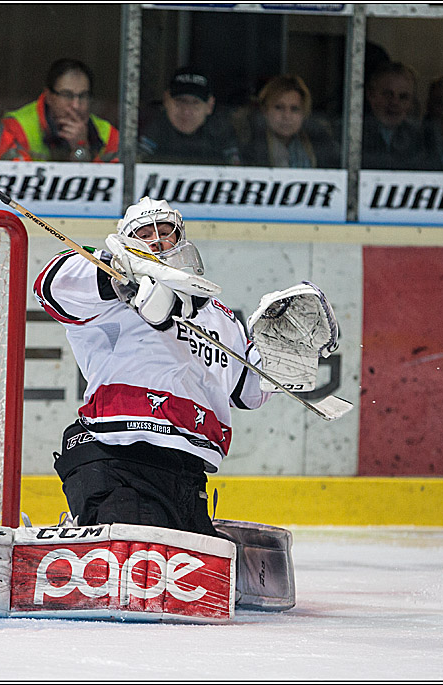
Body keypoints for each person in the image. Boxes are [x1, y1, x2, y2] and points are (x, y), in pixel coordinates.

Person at [33, 197, 270, 536]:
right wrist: (119, 277)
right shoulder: (111, 289)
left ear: (181, 237)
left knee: (187, 577)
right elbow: (51, 283)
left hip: (186, 469)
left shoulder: (219, 316)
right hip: (120, 455)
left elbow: (246, 391)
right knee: (139, 572)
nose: (157, 240)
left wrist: (278, 358)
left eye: (166, 232)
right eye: (144, 234)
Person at [0, 58, 118, 163]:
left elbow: (114, 184)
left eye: (82, 96)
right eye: (67, 95)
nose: (76, 105)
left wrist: (80, 148)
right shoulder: (16, 126)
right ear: (49, 96)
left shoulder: (108, 134)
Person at [137, 67, 241, 166]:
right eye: (180, 101)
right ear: (166, 100)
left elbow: (238, 169)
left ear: (209, 106)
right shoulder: (150, 127)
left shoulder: (221, 133)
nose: (186, 111)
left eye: (195, 103)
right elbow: (136, 162)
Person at [238, 74, 339, 168]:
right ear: (265, 110)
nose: (286, 116)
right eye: (279, 107)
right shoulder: (248, 143)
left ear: (304, 113)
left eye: (294, 109)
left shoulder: (319, 144)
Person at [362, 61, 423, 170]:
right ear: (370, 95)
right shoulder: (348, 134)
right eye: (387, 94)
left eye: (403, 97)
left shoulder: (422, 140)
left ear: (411, 103)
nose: (395, 103)